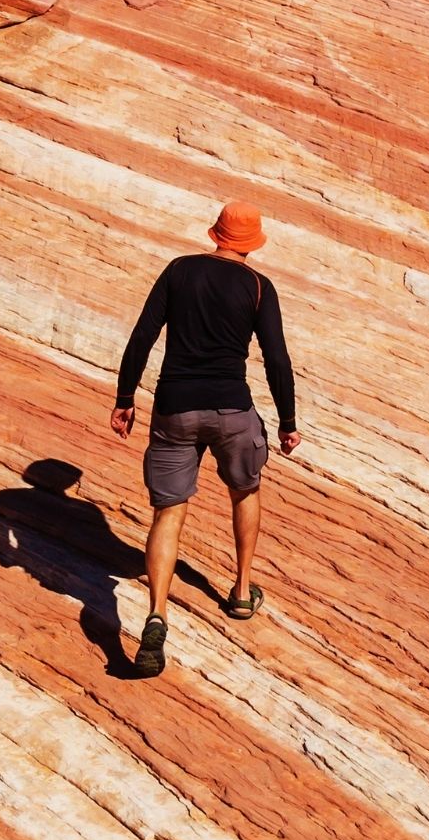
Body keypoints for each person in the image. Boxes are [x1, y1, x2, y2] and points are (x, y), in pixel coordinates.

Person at [109, 202, 300, 676]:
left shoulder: (180, 271)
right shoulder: (259, 287)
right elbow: (277, 357)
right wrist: (287, 421)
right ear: (253, 243)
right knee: (245, 490)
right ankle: (240, 591)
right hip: (233, 409)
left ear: (216, 234)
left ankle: (157, 613)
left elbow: (143, 336)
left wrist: (125, 395)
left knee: (169, 512)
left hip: (176, 406)